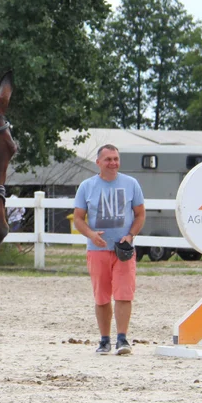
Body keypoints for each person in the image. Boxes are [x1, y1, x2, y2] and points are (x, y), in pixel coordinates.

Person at [72, 144, 145, 356]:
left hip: (123, 249)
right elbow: (78, 218)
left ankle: (122, 338)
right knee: (101, 297)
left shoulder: (131, 184)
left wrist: (130, 235)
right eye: (108, 159)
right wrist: (91, 234)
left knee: (124, 294)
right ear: (98, 163)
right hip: (97, 250)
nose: (113, 163)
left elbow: (140, 214)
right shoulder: (86, 186)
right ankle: (104, 340)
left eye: (115, 158)